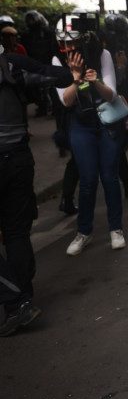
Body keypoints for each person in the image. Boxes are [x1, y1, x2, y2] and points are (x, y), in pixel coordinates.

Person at [0, 46, 73, 336]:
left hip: (15, 159)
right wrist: (75, 70)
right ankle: (21, 299)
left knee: (16, 232)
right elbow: (57, 75)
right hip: (17, 158)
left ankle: (17, 302)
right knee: (16, 232)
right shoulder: (11, 64)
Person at [55, 29, 128, 255]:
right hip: (81, 125)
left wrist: (94, 79)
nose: (72, 49)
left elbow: (111, 94)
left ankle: (115, 229)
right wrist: (76, 79)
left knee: (109, 176)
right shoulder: (58, 60)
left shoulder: (102, 54)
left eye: (76, 43)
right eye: (66, 44)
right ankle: (84, 232)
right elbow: (66, 101)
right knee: (87, 180)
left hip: (106, 122)